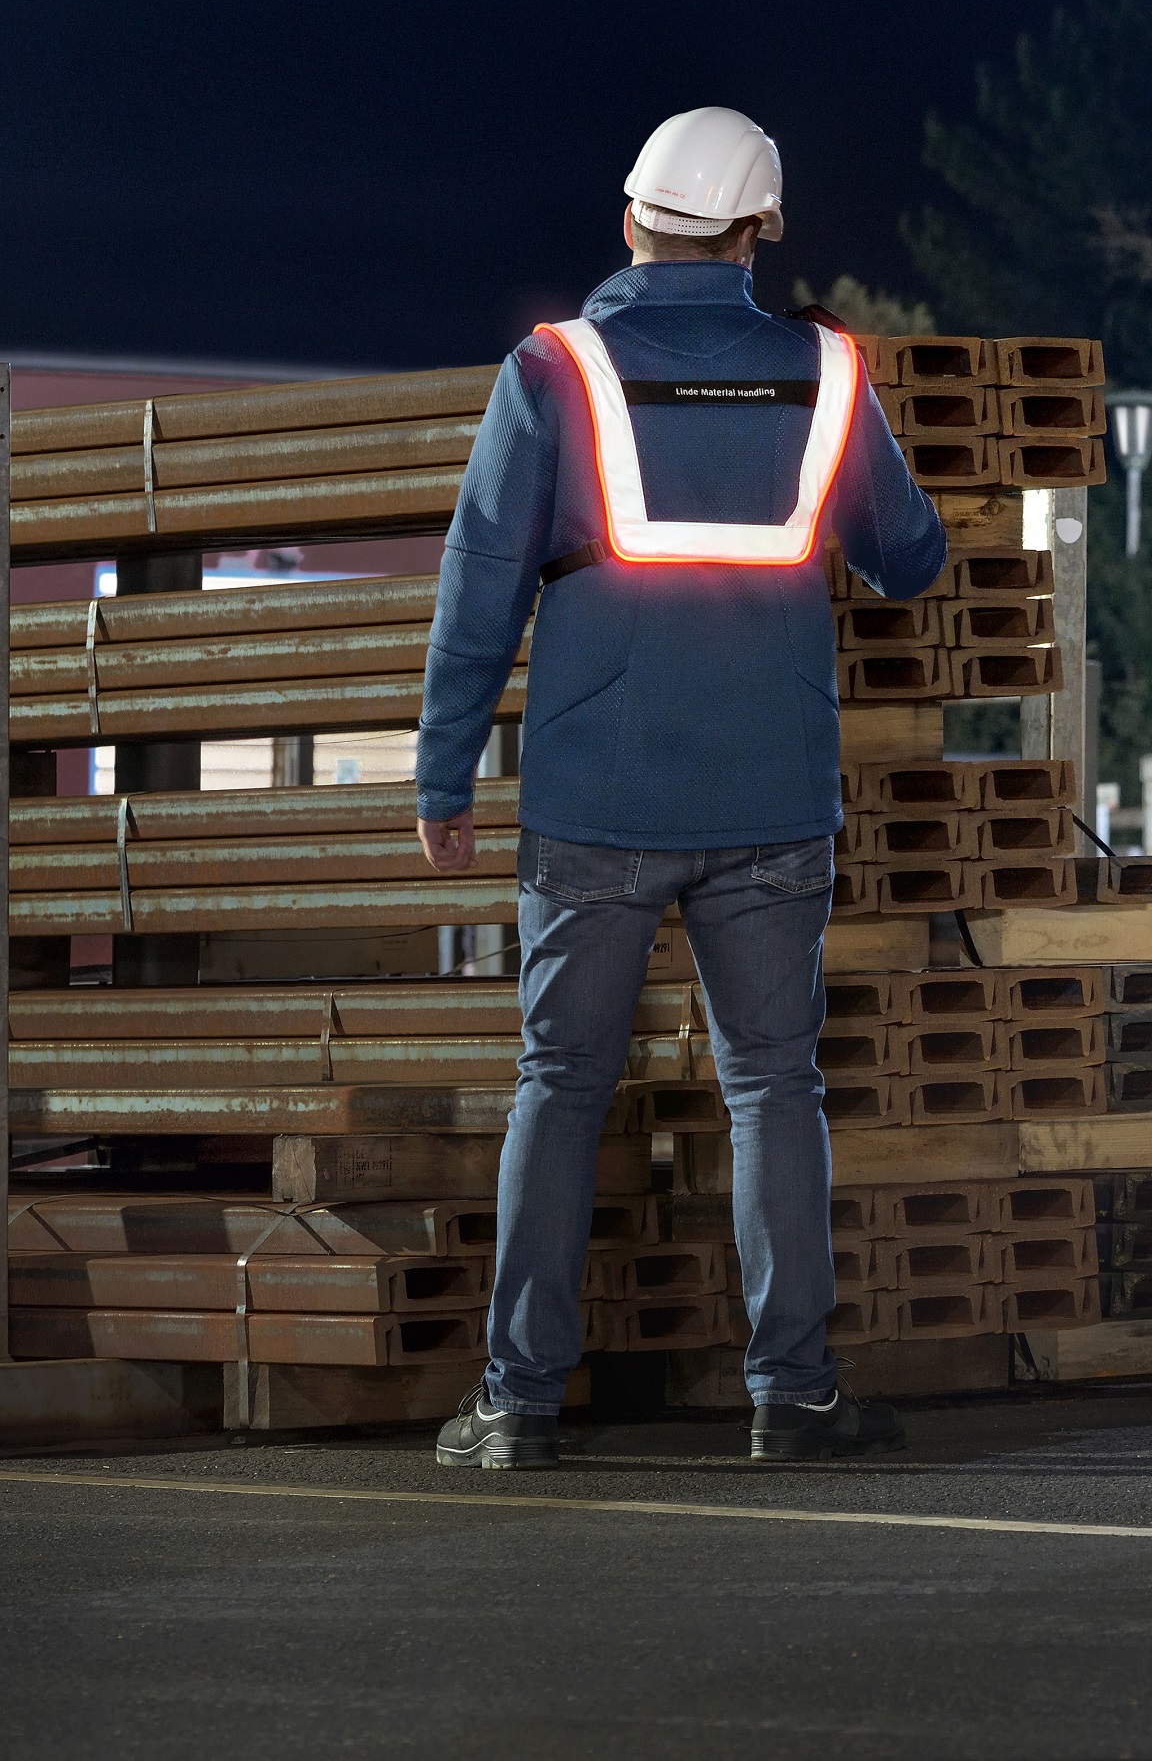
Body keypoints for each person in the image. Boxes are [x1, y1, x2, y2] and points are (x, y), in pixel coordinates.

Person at [414, 106, 947, 1465]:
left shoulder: (557, 370)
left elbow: (478, 584)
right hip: (773, 798)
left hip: (594, 801)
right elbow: (911, 558)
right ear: (761, 230)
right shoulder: (829, 375)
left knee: (560, 1084)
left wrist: (445, 772)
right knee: (773, 1089)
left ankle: (518, 1406)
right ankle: (794, 1393)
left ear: (634, 214)